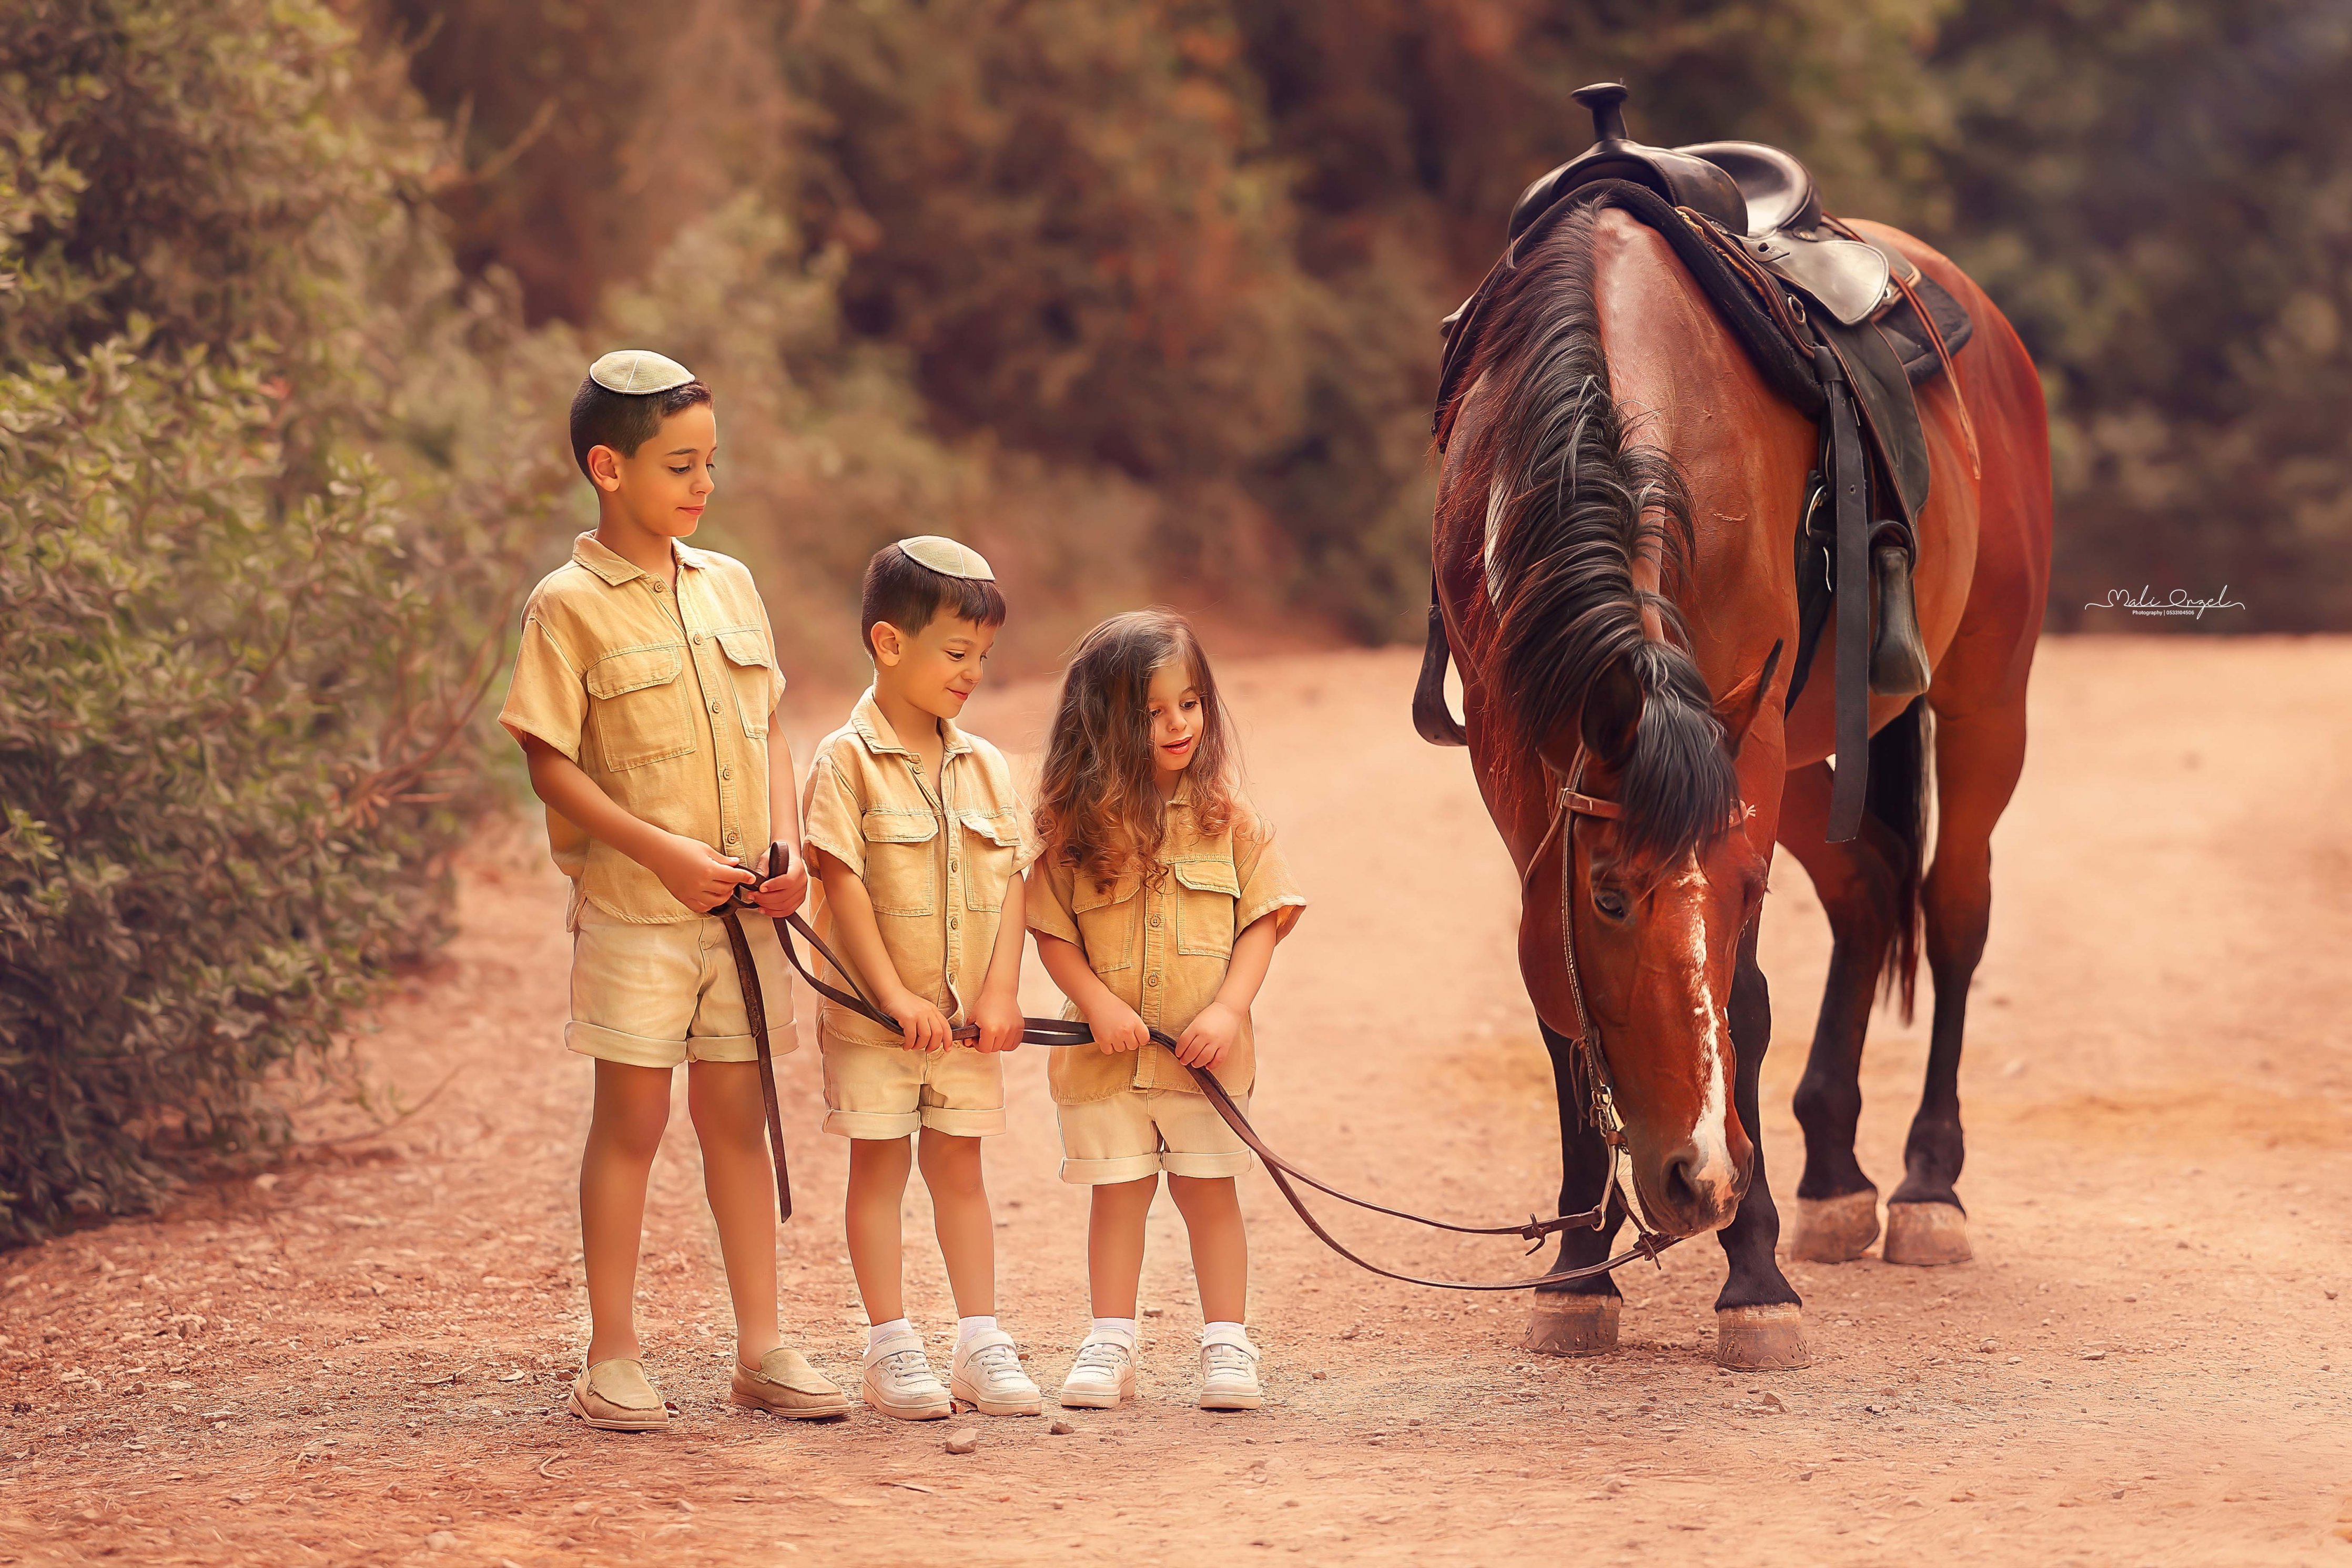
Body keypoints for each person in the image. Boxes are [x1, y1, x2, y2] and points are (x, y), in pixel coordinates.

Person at [498, 350, 849, 1431]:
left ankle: (762, 1349)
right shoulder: (565, 606)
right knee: (634, 1120)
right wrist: (660, 853)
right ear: (608, 468)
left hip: (742, 917)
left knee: (737, 1118)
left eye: (711, 462)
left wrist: (787, 849)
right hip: (637, 916)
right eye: (680, 465)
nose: (704, 484)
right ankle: (611, 1355)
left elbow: (771, 727)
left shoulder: (730, 584)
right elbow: (548, 762)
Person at [1026, 610, 1306, 1411]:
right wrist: (1096, 1002)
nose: (1178, 723)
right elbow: (1052, 932)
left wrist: (1228, 1009)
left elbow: (1262, 920)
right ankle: (1110, 1339)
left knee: (1210, 1193)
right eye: (1153, 712)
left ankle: (1228, 1343)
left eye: (1189, 703)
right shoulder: (1073, 829)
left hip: (1203, 1064)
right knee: (1117, 1194)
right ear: (1105, 720)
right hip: (1105, 1064)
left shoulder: (1232, 820)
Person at [798, 538, 1042, 1420]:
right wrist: (893, 997)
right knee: (879, 1167)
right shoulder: (844, 760)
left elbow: (1012, 882)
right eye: (957, 653)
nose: (973, 672)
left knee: (960, 1167)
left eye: (983, 656)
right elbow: (841, 882)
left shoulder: (986, 765)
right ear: (890, 643)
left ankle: (980, 1340)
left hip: (964, 1026)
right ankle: (891, 1345)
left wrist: (1001, 992)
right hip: (876, 1025)